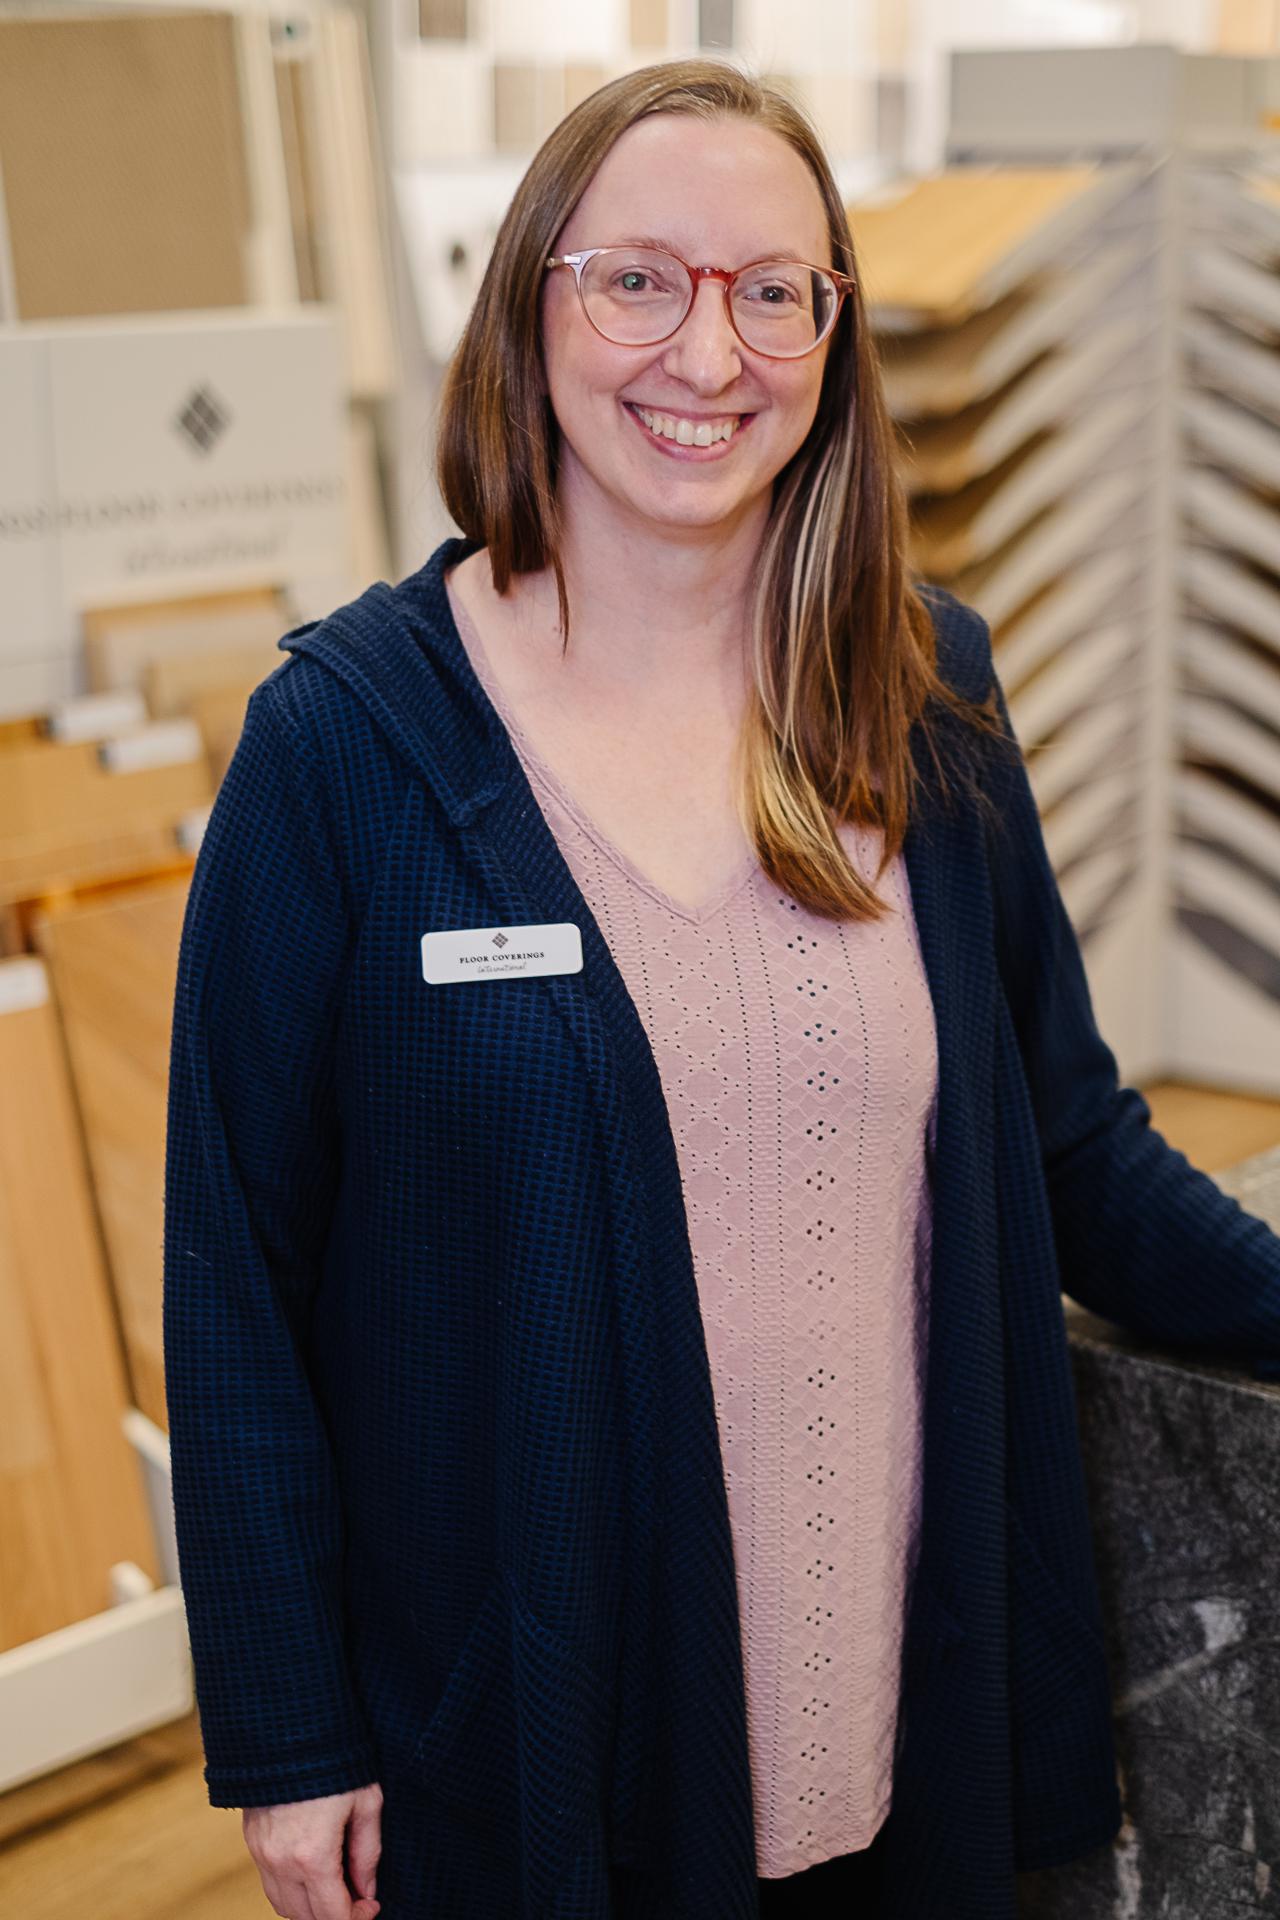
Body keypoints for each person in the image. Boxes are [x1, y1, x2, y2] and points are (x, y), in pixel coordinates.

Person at [162, 56, 1280, 1920]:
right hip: (536, 1732)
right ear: (535, 301)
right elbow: (238, 1278)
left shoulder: (923, 694)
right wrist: (287, 1735)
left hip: (918, 1711)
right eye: (640, 280)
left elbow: (1072, 1143)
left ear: (834, 331)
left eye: (775, 290)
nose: (709, 353)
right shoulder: (345, 750)